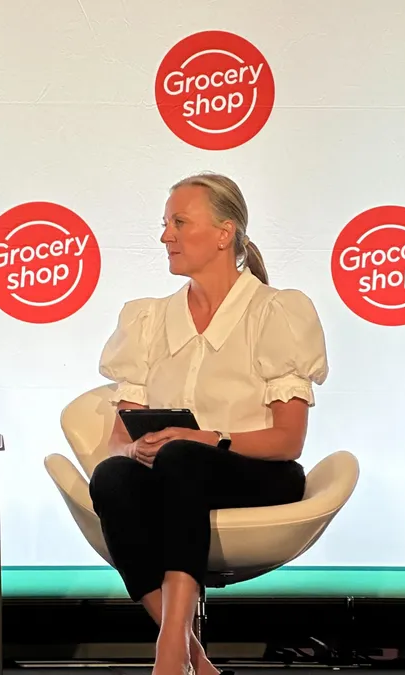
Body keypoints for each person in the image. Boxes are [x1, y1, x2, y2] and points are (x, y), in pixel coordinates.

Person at [89, 172, 328, 675]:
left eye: (179, 222)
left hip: (258, 473)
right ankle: (185, 649)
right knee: (112, 476)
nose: (165, 236)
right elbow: (115, 441)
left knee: (183, 457)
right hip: (176, 476)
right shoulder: (148, 320)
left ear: (225, 234)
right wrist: (137, 450)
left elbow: (287, 441)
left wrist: (202, 438)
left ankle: (170, 653)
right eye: (165, 224)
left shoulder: (275, 312)